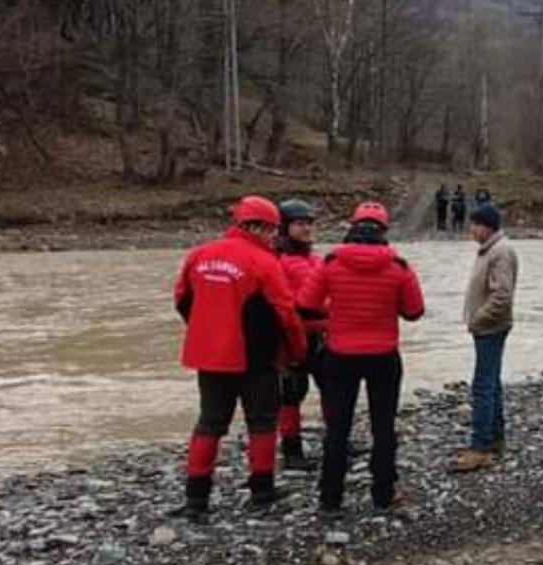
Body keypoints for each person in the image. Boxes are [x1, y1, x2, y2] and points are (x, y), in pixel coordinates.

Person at [171, 195, 307, 519]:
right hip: (255, 359)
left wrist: (204, 330)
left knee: (209, 424)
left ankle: (196, 498)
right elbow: (286, 314)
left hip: (209, 356)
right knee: (261, 423)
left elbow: (181, 300)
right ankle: (262, 492)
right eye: (273, 230)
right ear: (264, 227)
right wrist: (296, 354)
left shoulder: (199, 255)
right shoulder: (264, 263)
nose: (275, 237)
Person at [298, 202, 425, 514]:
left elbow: (304, 305)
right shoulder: (399, 266)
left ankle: (330, 499)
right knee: (384, 427)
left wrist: (336, 313)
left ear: (352, 227)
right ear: (383, 231)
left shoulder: (330, 262)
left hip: (340, 355)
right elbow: (414, 312)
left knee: (337, 428)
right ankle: (382, 494)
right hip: (383, 356)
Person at [457, 203, 518, 472]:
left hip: (490, 327)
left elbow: (502, 296)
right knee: (491, 382)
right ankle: (495, 438)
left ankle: (480, 447)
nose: (470, 230)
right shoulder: (490, 250)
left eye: (474, 224)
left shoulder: (500, 252)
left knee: (482, 385)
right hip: (488, 327)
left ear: (486, 226)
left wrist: (478, 319)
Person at [275, 199, 326, 471]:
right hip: (292, 336)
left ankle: (337, 438)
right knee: (293, 393)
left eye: (309, 223)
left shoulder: (314, 258)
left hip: (320, 333)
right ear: (285, 227)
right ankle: (292, 450)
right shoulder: (279, 261)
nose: (307, 228)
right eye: (300, 223)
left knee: (330, 387)